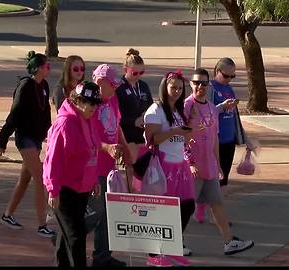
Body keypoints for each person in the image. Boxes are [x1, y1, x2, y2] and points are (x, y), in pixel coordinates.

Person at [184, 68, 254, 256]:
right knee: (186, 207)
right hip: (193, 169)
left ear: (209, 85)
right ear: (190, 84)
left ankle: (229, 242)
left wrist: (218, 164)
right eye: (196, 82)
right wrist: (189, 163)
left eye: (204, 83)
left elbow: (214, 138)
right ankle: (176, 242)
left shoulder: (210, 107)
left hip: (210, 167)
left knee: (217, 203)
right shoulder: (186, 107)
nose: (200, 86)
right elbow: (181, 139)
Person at [43, 81, 102, 267]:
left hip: (82, 187)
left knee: (67, 235)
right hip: (64, 189)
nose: (93, 107)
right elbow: (53, 159)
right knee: (76, 236)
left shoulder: (89, 119)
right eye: (89, 102)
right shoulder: (65, 123)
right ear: (77, 101)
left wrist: (93, 180)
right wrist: (53, 190)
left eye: (96, 103)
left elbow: (92, 151)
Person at [0, 50, 55, 238]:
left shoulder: (44, 85)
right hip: (25, 139)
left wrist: (50, 134)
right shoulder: (25, 86)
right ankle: (42, 225)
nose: (49, 68)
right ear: (38, 68)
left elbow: (45, 114)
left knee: (25, 180)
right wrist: (3, 140)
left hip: (36, 139)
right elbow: (14, 115)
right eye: (47, 66)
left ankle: (7, 215)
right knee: (40, 179)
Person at [141, 70, 195, 267]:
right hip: (163, 165)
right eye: (174, 87)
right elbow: (151, 139)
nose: (177, 91)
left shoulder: (178, 110)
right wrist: (173, 131)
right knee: (161, 210)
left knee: (187, 205)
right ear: (165, 87)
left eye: (180, 88)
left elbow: (185, 139)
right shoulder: (155, 110)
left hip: (180, 164)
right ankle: (154, 254)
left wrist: (190, 126)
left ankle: (172, 247)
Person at [201, 57, 255, 223]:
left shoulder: (229, 89)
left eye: (233, 76)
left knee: (223, 179)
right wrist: (222, 107)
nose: (229, 79)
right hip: (214, 140)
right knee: (211, 178)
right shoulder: (210, 88)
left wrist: (246, 139)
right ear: (217, 72)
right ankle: (209, 213)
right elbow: (205, 114)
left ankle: (216, 214)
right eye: (226, 76)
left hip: (228, 140)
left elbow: (235, 118)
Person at [87, 64, 131, 267]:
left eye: (116, 84)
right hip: (93, 167)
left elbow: (117, 124)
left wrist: (123, 146)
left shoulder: (112, 99)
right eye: (112, 84)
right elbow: (88, 138)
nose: (115, 88)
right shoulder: (89, 105)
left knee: (108, 212)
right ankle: (65, 238)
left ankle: (102, 256)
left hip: (109, 166)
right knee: (96, 212)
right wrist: (108, 147)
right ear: (99, 82)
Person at [116, 48, 153, 188]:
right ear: (125, 69)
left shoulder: (143, 86)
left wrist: (146, 116)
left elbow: (150, 106)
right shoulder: (118, 87)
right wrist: (133, 121)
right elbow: (115, 115)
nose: (138, 75)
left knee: (142, 172)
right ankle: (129, 199)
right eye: (135, 72)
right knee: (129, 172)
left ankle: (138, 196)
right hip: (127, 137)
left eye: (141, 72)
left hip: (142, 137)